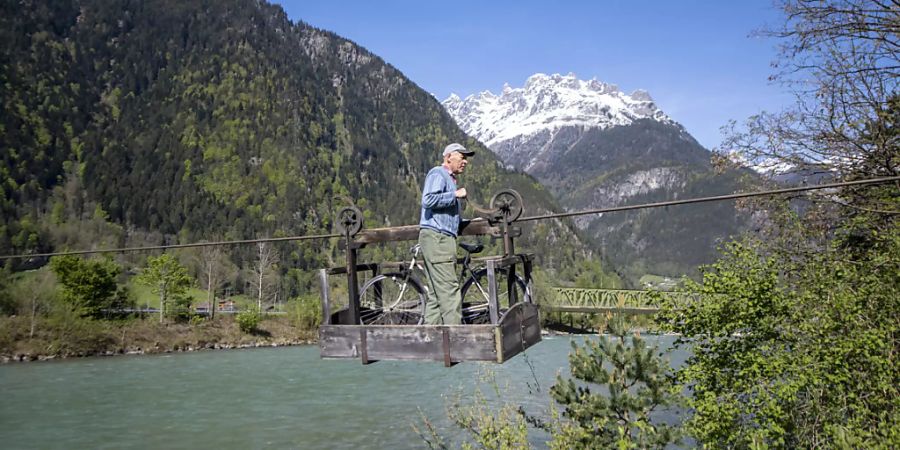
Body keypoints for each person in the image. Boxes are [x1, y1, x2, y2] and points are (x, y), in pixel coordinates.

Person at [418, 142, 475, 325]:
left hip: (438, 238)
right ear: (449, 156)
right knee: (450, 292)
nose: (465, 161)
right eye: (462, 156)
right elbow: (428, 200)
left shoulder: (449, 180)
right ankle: (456, 342)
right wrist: (455, 195)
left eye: (466, 158)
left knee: (436, 295)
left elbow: (448, 218)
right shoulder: (438, 173)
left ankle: (429, 344)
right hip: (438, 238)